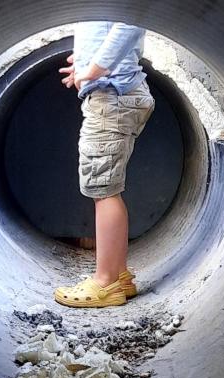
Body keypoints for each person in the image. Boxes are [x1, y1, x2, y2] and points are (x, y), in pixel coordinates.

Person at [55, 21, 155, 308]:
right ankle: (119, 275)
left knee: (103, 189)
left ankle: (105, 283)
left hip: (112, 95)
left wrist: (92, 70)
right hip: (115, 92)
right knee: (105, 187)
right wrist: (85, 63)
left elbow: (129, 24)